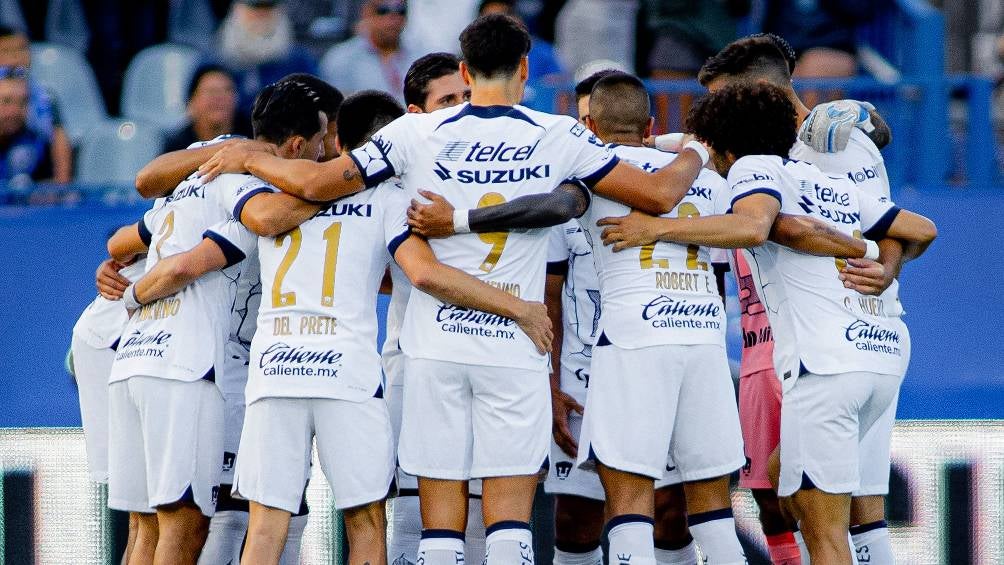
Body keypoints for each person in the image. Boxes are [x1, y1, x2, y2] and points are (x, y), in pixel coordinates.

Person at [196, 13, 717, 565]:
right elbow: (659, 195)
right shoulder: (559, 135)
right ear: (524, 68)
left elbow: (318, 182)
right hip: (514, 345)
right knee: (508, 522)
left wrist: (249, 155)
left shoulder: (413, 133)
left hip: (435, 348)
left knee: (439, 528)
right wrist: (697, 149)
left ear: (465, 72)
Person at [604, 81, 936, 564]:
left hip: (827, 365)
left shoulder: (751, 168)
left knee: (825, 531)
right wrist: (880, 261)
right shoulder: (821, 179)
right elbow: (921, 229)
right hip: (882, 354)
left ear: (725, 146)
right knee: (787, 483)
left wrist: (655, 228)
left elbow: (754, 226)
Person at [387, 51, 485, 565]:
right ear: (415, 114)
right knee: (415, 505)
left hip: (490, 355)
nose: (462, 108)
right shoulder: (397, 180)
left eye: (467, 96)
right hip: (414, 358)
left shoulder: (504, 165)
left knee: (482, 507)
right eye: (447, 100)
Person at [216, 0, 318, 119]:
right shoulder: (218, 59)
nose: (261, 15)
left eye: (268, 8)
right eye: (255, 8)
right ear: (238, 9)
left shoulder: (299, 60)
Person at [319, 0, 420, 102]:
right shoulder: (340, 59)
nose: (393, 18)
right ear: (366, 13)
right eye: (383, 11)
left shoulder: (420, 57)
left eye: (401, 11)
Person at [0, 68, 70, 190]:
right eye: (6, 101)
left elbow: (62, 187)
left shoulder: (36, 139)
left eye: (22, 102)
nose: (15, 111)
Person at [164, 64, 245, 153]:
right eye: (211, 92)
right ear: (192, 101)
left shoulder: (253, 137)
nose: (219, 98)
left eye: (227, 90)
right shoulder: (176, 148)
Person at [477, 0, 563, 83]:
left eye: (502, 19)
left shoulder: (542, 52)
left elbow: (559, 85)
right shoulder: (474, 56)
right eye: (490, 21)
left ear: (517, 19)